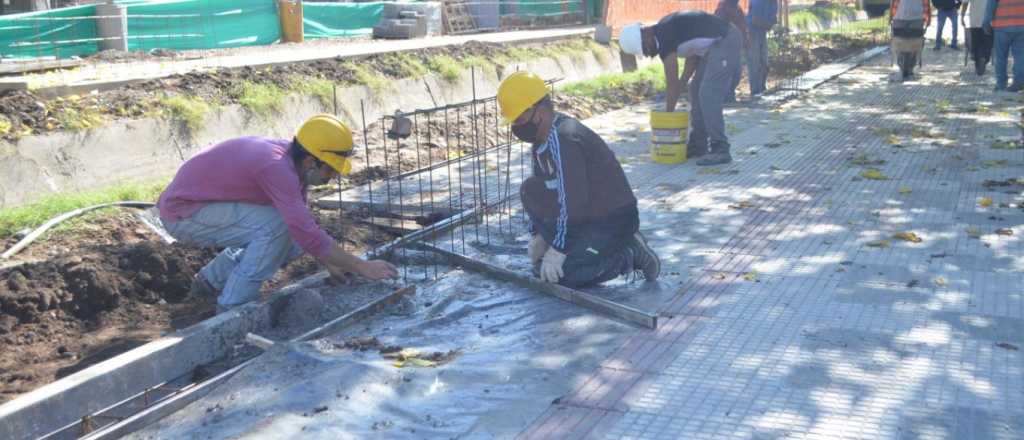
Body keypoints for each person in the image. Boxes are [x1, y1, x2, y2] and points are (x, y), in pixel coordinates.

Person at [157, 115, 398, 312]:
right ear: (311, 162)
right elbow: (303, 230)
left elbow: (303, 226)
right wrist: (362, 267)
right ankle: (233, 307)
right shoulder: (275, 167)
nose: (331, 177)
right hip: (183, 213)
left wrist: (329, 261)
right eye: (330, 170)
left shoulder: (293, 162)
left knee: (290, 239)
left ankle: (210, 282)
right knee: (277, 227)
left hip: (206, 207)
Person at [496, 71, 661, 288]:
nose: (516, 127)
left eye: (519, 119)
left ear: (540, 112)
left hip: (612, 220)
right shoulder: (541, 142)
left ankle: (630, 252)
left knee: (566, 275)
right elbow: (548, 193)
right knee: (530, 190)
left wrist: (559, 250)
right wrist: (540, 237)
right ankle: (575, 245)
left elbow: (573, 201)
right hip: (586, 216)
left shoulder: (564, 140)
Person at [619, 11, 742, 166]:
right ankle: (699, 144)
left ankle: (720, 148)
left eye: (644, 48)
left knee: (708, 93)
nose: (648, 53)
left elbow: (672, 83)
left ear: (646, 34)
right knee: (695, 89)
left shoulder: (664, 37)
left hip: (726, 40)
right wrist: (682, 85)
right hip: (711, 48)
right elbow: (692, 56)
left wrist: (667, 118)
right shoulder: (666, 29)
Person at [681, 0, 750, 103]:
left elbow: (745, 40)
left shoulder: (736, 14)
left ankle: (724, 95)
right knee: (701, 85)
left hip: (726, 54)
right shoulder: (719, 15)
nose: (720, 9)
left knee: (729, 74)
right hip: (712, 54)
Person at [984, 0, 1024, 91]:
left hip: (1002, 25)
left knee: (1001, 57)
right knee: (1020, 56)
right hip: (1022, 25)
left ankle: (1001, 84)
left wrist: (986, 22)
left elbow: (991, 4)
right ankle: (1019, 82)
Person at [890, 0, 931, 81]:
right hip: (914, 18)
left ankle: (905, 68)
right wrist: (927, 18)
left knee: (902, 43)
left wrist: (891, 17)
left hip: (902, 18)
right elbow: (926, 4)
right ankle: (908, 68)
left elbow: (893, 3)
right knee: (912, 44)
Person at [747, 0, 778, 96]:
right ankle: (755, 91)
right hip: (752, 32)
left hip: (762, 32)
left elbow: (773, 19)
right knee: (754, 62)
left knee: (764, 62)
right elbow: (754, 20)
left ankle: (761, 87)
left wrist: (774, 25)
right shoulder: (758, 2)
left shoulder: (774, 3)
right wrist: (769, 25)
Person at [962, 0, 993, 74]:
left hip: (974, 21)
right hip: (988, 22)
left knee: (976, 44)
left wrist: (962, 16)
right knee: (987, 44)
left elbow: (965, 3)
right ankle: (984, 59)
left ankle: (978, 64)